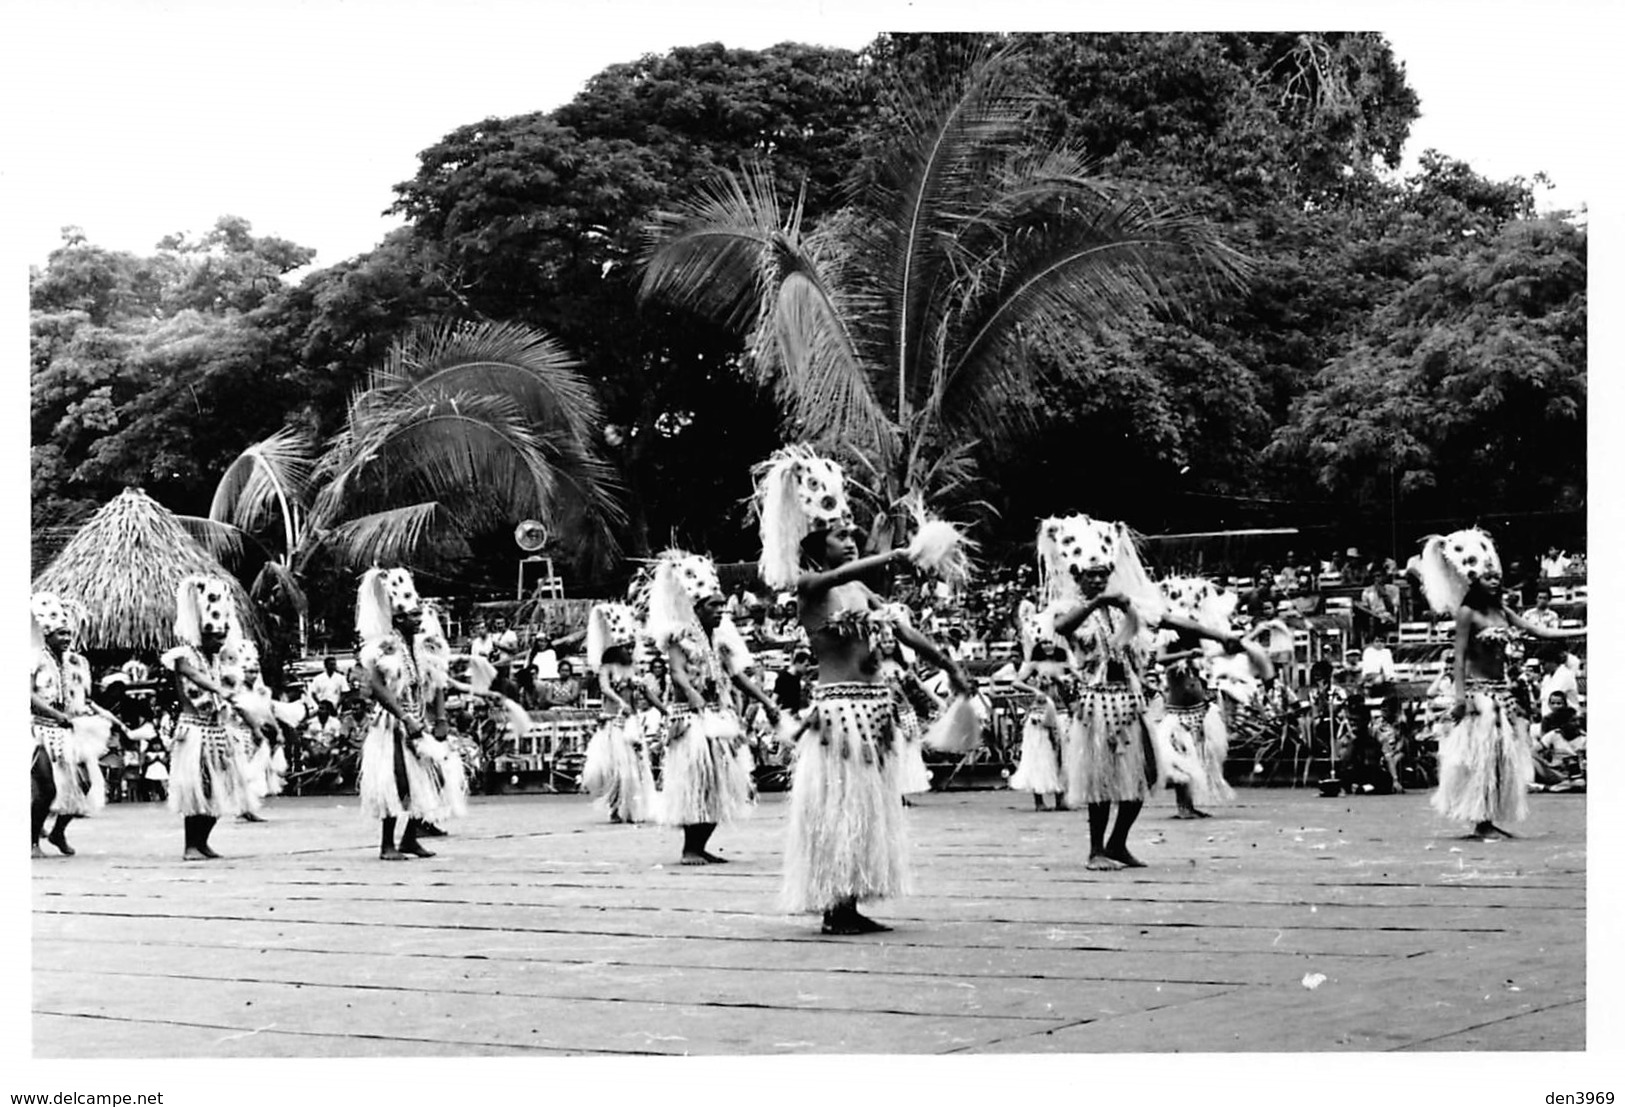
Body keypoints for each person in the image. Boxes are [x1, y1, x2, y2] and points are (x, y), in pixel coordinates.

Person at [755, 446, 971, 934]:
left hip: (875, 715)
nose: (850, 540)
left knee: (865, 811)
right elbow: (835, 575)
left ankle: (849, 904)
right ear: (815, 542)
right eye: (839, 534)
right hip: (840, 717)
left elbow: (902, 629)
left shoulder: (862, 593)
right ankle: (834, 907)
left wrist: (949, 665)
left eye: (852, 533)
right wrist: (891, 553)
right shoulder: (811, 586)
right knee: (839, 809)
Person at [1419, 529, 1586, 840]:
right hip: (1480, 696)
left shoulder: (1501, 611)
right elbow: (1458, 659)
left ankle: (1488, 818)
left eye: (1497, 576)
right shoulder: (1467, 612)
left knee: (1500, 758)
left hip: (1503, 695)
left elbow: (1538, 631)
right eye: (1489, 577)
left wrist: (1584, 631)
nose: (1496, 580)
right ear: (1475, 580)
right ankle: (1480, 821)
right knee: (1482, 758)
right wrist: (1458, 699)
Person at [1040, 514, 1166, 870]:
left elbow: (1164, 621)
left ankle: (1117, 843)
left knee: (1144, 776)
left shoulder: (1125, 611)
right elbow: (1062, 627)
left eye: (1103, 574)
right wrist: (1097, 603)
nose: (1098, 579)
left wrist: (1219, 637)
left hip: (1128, 701)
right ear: (1077, 576)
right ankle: (1095, 850)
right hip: (1096, 704)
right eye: (1091, 574)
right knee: (1101, 781)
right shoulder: (1069, 608)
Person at [643, 549, 782, 865]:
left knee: (721, 785)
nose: (721, 610)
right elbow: (676, 671)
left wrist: (766, 701)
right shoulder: (680, 638)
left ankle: (700, 845)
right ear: (696, 608)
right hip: (691, 721)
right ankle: (690, 848)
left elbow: (738, 677)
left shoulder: (721, 640)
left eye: (722, 604)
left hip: (718, 717)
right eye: (713, 605)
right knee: (698, 782)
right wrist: (691, 692)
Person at [355, 568, 467, 860]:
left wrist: (440, 719)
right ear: (399, 618)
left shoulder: (419, 646)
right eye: (413, 616)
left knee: (437, 777)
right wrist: (405, 718)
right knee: (395, 782)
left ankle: (409, 839)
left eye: (419, 615)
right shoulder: (384, 647)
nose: (419, 620)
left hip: (420, 722)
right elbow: (377, 687)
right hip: (393, 725)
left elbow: (436, 682)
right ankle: (386, 845)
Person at [161, 576, 268, 860]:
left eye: (223, 636)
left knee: (222, 789)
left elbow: (235, 697)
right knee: (198, 790)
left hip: (220, 730)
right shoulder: (184, 655)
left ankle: (203, 841)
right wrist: (216, 687)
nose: (220, 641)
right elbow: (193, 675)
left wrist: (254, 724)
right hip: (194, 731)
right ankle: (190, 846)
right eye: (214, 636)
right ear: (201, 632)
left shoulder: (222, 660)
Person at [1154, 577, 1263, 818]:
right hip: (1178, 712)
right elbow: (1159, 659)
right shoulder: (1168, 636)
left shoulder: (1199, 638)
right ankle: (1183, 807)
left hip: (1200, 707)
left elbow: (1222, 650)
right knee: (1182, 760)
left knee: (1199, 758)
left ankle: (1190, 806)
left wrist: (1252, 636)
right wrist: (1186, 653)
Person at [30, 593, 120, 857]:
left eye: (68, 634)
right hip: (40, 730)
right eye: (60, 634)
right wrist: (54, 714)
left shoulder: (76, 662)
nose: (66, 639)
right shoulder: (33, 659)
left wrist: (90, 713)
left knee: (84, 784)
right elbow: (27, 694)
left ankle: (58, 832)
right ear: (47, 635)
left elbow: (81, 696)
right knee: (46, 788)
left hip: (70, 731)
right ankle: (32, 841)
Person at [580, 602, 663, 824]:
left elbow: (645, 692)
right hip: (613, 723)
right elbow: (606, 689)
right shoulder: (606, 669)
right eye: (625, 647)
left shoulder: (633, 670)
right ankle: (616, 807)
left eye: (630, 646)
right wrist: (619, 702)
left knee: (636, 768)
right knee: (618, 770)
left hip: (631, 723)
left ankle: (632, 808)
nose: (629, 650)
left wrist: (663, 709)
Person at [1006, 609, 1071, 812]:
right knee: (1040, 755)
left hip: (1061, 712)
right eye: (1044, 643)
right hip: (1040, 715)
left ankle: (1061, 798)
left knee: (1062, 756)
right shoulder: (1032, 664)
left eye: (1051, 642)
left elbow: (1074, 683)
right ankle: (1039, 801)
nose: (1048, 646)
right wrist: (1035, 691)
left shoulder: (1063, 663)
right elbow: (1016, 683)